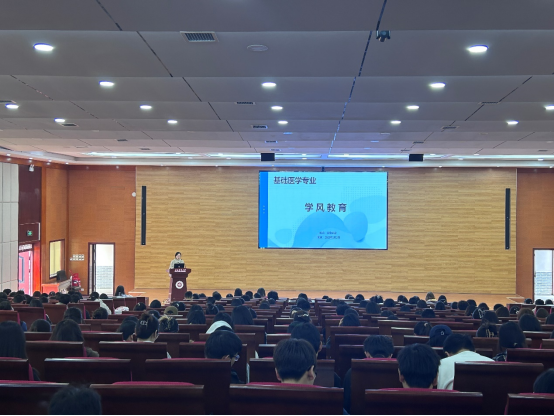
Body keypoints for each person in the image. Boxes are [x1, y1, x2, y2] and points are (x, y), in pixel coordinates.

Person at [343, 335, 395, 413]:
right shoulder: (400, 370)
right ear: (391, 355)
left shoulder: (352, 371)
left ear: (366, 353)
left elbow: (346, 404)